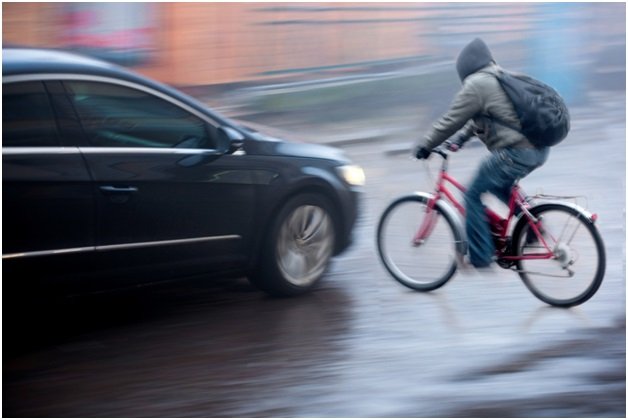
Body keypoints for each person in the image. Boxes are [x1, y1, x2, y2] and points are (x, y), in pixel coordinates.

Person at [413, 38, 550, 268]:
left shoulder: (477, 84)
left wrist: (426, 145)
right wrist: (460, 140)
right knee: (499, 184)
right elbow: (481, 118)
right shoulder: (500, 77)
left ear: (465, 67)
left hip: (516, 152)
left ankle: (480, 256)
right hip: (538, 149)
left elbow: (451, 119)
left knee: (472, 195)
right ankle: (533, 224)